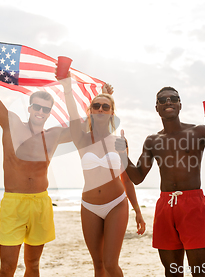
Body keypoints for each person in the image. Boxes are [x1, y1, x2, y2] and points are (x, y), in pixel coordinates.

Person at [0, 39, 71, 277]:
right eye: (37, 107)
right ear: (30, 108)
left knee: (33, 266)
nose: (41, 112)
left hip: (41, 203)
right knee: (7, 267)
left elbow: (85, 127)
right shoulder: (11, 125)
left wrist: (68, 88)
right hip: (14, 203)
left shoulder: (52, 135)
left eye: (46, 109)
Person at [116, 87, 205, 277]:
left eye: (173, 98)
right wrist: (122, 154)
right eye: (163, 100)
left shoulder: (199, 131)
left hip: (193, 204)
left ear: (180, 105)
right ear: (157, 108)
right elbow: (137, 177)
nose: (168, 101)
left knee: (200, 272)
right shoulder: (152, 141)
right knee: (172, 272)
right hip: (165, 206)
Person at [59, 74, 146, 277]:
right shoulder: (81, 139)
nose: (100, 109)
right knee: (98, 266)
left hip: (116, 203)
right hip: (89, 206)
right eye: (96, 106)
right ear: (89, 111)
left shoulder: (119, 142)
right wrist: (66, 86)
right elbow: (73, 115)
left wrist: (137, 210)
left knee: (110, 264)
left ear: (112, 113)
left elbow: (126, 179)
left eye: (105, 107)